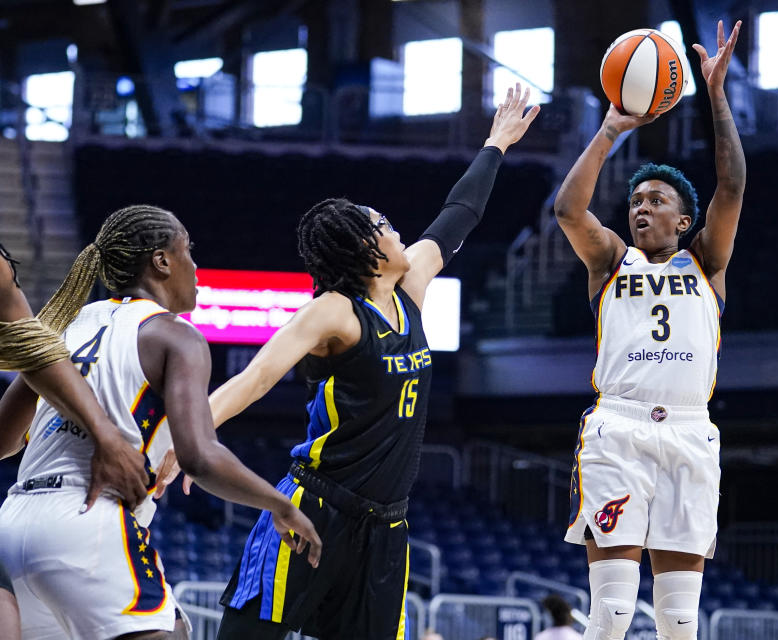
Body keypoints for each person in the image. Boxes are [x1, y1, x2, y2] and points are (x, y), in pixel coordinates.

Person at [152, 84, 538, 640]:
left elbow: (460, 213)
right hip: (315, 505)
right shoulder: (333, 312)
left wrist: (496, 143)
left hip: (386, 528)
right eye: (383, 224)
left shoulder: (413, 286)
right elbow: (255, 379)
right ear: (363, 249)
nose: (397, 228)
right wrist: (181, 439)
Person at [0, 207, 321, 640]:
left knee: (173, 625)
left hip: (14, 523)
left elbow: (3, 440)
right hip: (87, 519)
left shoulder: (65, 324)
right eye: (188, 249)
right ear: (161, 261)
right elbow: (201, 457)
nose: (194, 263)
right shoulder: (175, 334)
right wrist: (281, 506)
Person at [554, 20, 744, 640]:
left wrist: (715, 95)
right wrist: (610, 128)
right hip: (620, 429)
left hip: (691, 430)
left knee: (679, 621)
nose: (642, 206)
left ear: (684, 219)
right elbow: (567, 210)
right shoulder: (610, 260)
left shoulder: (706, 262)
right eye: (636, 199)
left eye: (657, 199)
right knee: (610, 616)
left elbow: (733, 185)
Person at [1, 240, 155, 640]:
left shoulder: (70, 323)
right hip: (81, 514)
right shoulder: (163, 332)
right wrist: (108, 437)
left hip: (18, 515)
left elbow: (31, 348)